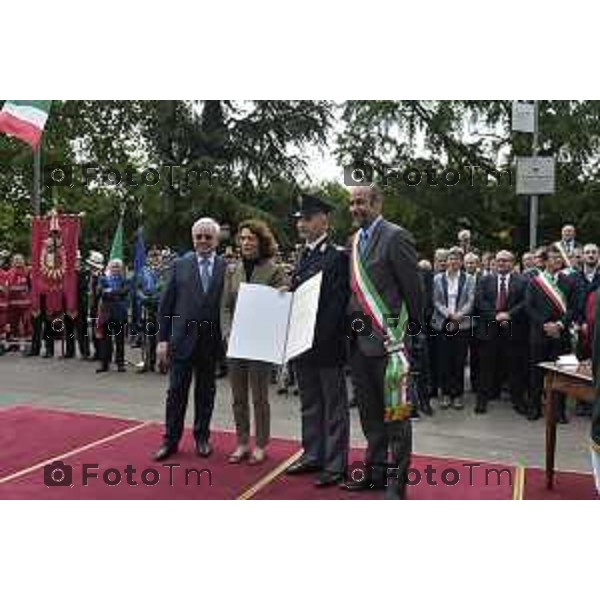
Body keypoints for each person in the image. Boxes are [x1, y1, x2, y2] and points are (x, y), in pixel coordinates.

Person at [342, 184, 423, 500]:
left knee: (396, 417)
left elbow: (413, 291)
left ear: (377, 203)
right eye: (351, 203)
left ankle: (396, 483)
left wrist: (405, 337)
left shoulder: (395, 236)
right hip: (359, 342)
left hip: (389, 343)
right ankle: (374, 474)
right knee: (370, 415)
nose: (354, 208)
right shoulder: (354, 241)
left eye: (360, 202)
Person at [284, 194, 351, 486]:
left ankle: (335, 463)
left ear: (324, 220)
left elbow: (337, 306)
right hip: (302, 344)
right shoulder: (303, 255)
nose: (302, 223)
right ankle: (313, 453)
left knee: (333, 407)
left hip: (326, 345)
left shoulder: (336, 256)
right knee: (310, 403)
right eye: (300, 218)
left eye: (307, 218)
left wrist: (314, 338)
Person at [153, 217, 227, 461]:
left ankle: (202, 438)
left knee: (206, 393)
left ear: (216, 239)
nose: (203, 241)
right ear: (193, 238)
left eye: (208, 237)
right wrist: (162, 339)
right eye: (199, 236)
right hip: (181, 341)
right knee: (176, 393)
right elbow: (166, 305)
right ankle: (170, 441)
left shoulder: (225, 267)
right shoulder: (179, 265)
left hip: (210, 343)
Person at [222, 219, 287, 465]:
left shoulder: (274, 270)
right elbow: (225, 307)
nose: (246, 242)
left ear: (261, 241)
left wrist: (283, 294)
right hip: (236, 342)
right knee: (238, 397)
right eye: (243, 238)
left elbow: (281, 303)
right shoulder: (232, 270)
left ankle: (260, 443)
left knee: (259, 397)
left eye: (251, 238)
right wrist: (227, 333)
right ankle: (241, 442)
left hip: (260, 342)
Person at [525, 245, 576, 421]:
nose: (558, 261)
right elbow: (529, 307)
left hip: (561, 336)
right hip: (539, 335)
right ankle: (534, 408)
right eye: (554, 258)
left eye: (560, 258)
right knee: (536, 373)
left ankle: (558, 411)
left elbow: (573, 308)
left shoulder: (569, 281)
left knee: (561, 374)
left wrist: (560, 325)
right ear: (545, 261)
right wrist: (545, 325)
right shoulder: (535, 281)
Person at [474, 250, 529, 415]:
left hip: (512, 331)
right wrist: (495, 316)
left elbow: (526, 302)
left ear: (512, 263)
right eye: (498, 261)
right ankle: (482, 401)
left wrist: (509, 314)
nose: (501, 263)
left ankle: (518, 401)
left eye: (505, 261)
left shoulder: (522, 281)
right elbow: (479, 301)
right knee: (486, 367)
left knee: (514, 368)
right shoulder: (485, 280)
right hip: (490, 329)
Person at [431, 247, 475, 409]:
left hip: (462, 324)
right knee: (444, 359)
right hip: (442, 323)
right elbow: (436, 300)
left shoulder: (469, 279)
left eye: (457, 259)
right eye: (450, 259)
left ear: (461, 262)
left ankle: (457, 395)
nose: (453, 262)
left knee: (459, 360)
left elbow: (471, 300)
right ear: (446, 261)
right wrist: (449, 314)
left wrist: (459, 314)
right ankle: (446, 394)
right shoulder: (437, 279)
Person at [96, 258, 129, 373]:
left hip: (119, 314)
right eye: (113, 267)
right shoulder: (103, 279)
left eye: (117, 267)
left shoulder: (124, 280)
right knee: (106, 341)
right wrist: (114, 293)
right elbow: (100, 292)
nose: (115, 269)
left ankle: (120, 364)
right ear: (109, 268)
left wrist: (110, 292)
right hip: (106, 314)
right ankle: (104, 364)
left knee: (120, 340)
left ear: (121, 269)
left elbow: (124, 292)